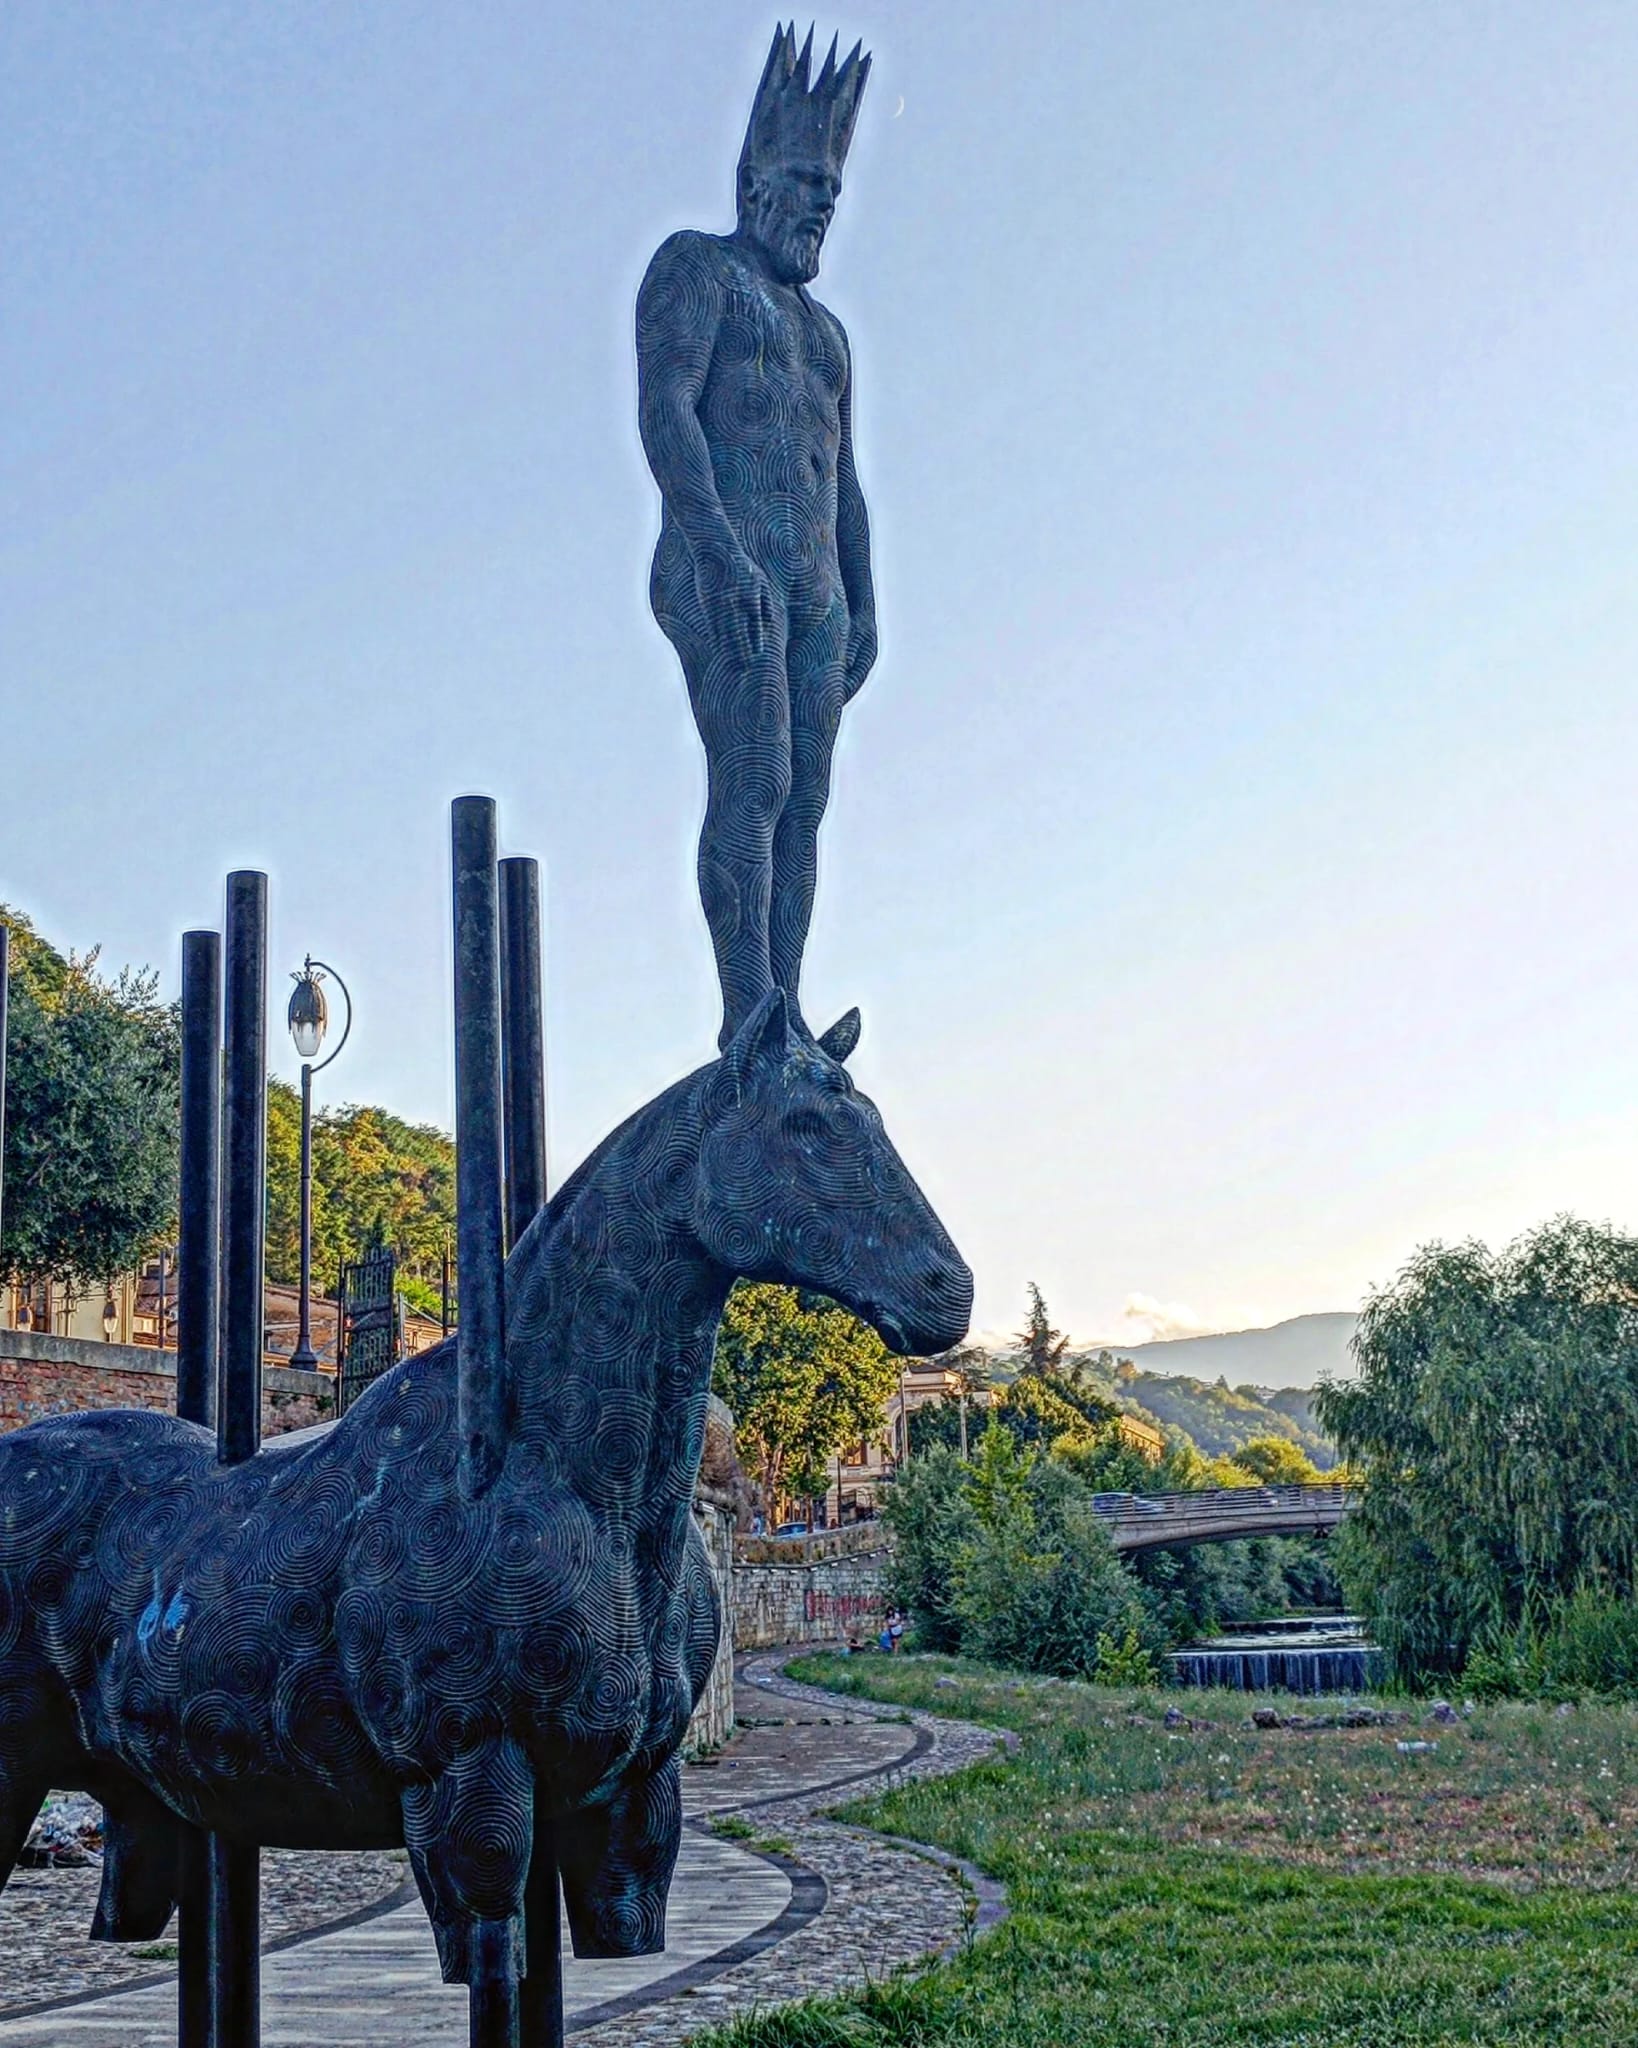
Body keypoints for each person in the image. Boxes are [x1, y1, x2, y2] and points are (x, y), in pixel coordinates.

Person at [637, 25, 876, 1047]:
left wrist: (864, 600)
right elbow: (668, 411)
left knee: (806, 801)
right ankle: (748, 1013)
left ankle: (785, 1005)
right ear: (754, 182)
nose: (822, 203)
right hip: (725, 570)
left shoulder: (826, 335)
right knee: (757, 777)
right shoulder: (697, 269)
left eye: (833, 189)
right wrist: (718, 552)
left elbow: (843, 479)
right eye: (806, 182)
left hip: (815, 591)